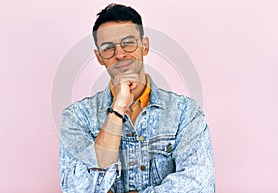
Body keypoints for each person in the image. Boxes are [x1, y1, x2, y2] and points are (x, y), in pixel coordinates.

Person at [59, 3, 215, 193]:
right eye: (108, 48)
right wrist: (117, 108)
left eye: (128, 42)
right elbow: (77, 188)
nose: (120, 54)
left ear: (145, 46)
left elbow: (200, 184)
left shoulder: (186, 113)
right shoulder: (76, 117)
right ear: (99, 57)